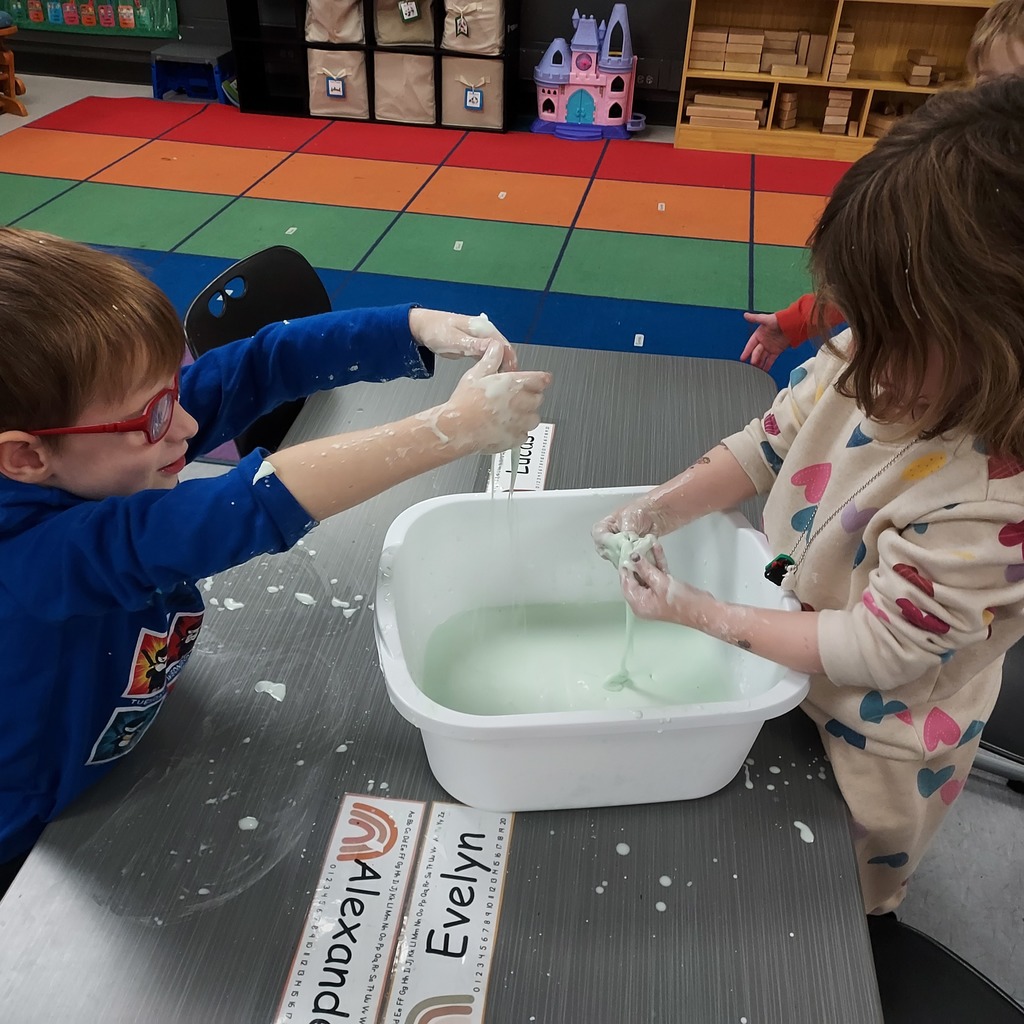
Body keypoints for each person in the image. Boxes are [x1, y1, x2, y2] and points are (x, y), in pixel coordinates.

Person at [0, 228, 551, 893]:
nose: (184, 427)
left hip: (131, 708)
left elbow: (263, 363)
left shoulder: (110, 424)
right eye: (151, 417)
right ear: (26, 457)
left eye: (173, 387)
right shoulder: (24, 561)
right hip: (45, 819)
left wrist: (415, 327)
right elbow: (245, 506)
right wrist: (449, 429)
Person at [595, 76, 1024, 915]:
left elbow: (882, 652)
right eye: (862, 318)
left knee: (815, 899)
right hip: (784, 635)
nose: (861, 359)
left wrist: (696, 610)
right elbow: (771, 440)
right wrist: (657, 508)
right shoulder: (882, 348)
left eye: (896, 334)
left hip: (875, 737)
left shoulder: (997, 507)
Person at [740, 0, 1024, 372]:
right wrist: (798, 321)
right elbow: (886, 271)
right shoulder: (957, 187)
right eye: (992, 86)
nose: (1001, 111)